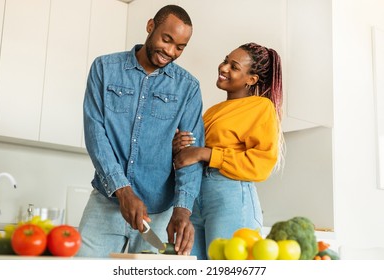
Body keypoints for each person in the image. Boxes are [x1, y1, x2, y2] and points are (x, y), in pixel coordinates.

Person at [78, 5, 204, 258]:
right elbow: (96, 134)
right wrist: (122, 191)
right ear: (150, 27)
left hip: (159, 214)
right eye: (166, 39)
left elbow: (189, 154)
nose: (170, 51)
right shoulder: (105, 68)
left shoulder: (188, 87)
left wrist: (182, 210)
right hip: (107, 202)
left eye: (180, 47)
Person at [173, 42, 285, 259]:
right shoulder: (212, 110)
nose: (224, 68)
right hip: (197, 195)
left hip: (231, 195)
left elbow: (261, 164)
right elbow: (193, 152)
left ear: (251, 79)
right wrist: (178, 145)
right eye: (225, 61)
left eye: (234, 67)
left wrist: (204, 153)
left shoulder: (261, 107)